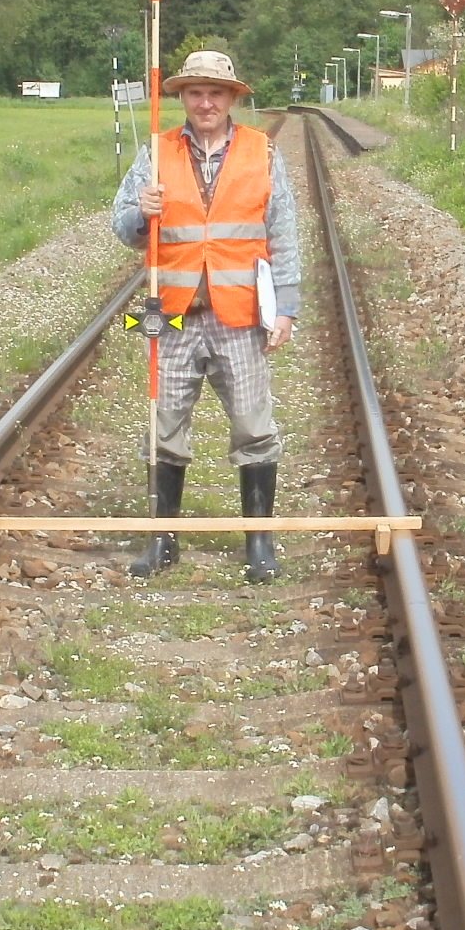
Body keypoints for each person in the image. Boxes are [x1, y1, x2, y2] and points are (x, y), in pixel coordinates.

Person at [112, 50, 300, 582]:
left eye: (215, 92)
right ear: (182, 98)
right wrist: (138, 213)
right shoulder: (155, 153)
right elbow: (122, 227)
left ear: (232, 98)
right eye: (195, 92)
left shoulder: (262, 153)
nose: (205, 101)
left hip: (238, 316)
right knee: (163, 427)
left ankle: (259, 545)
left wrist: (285, 309)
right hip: (173, 317)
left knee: (253, 426)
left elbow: (283, 233)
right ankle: (161, 542)